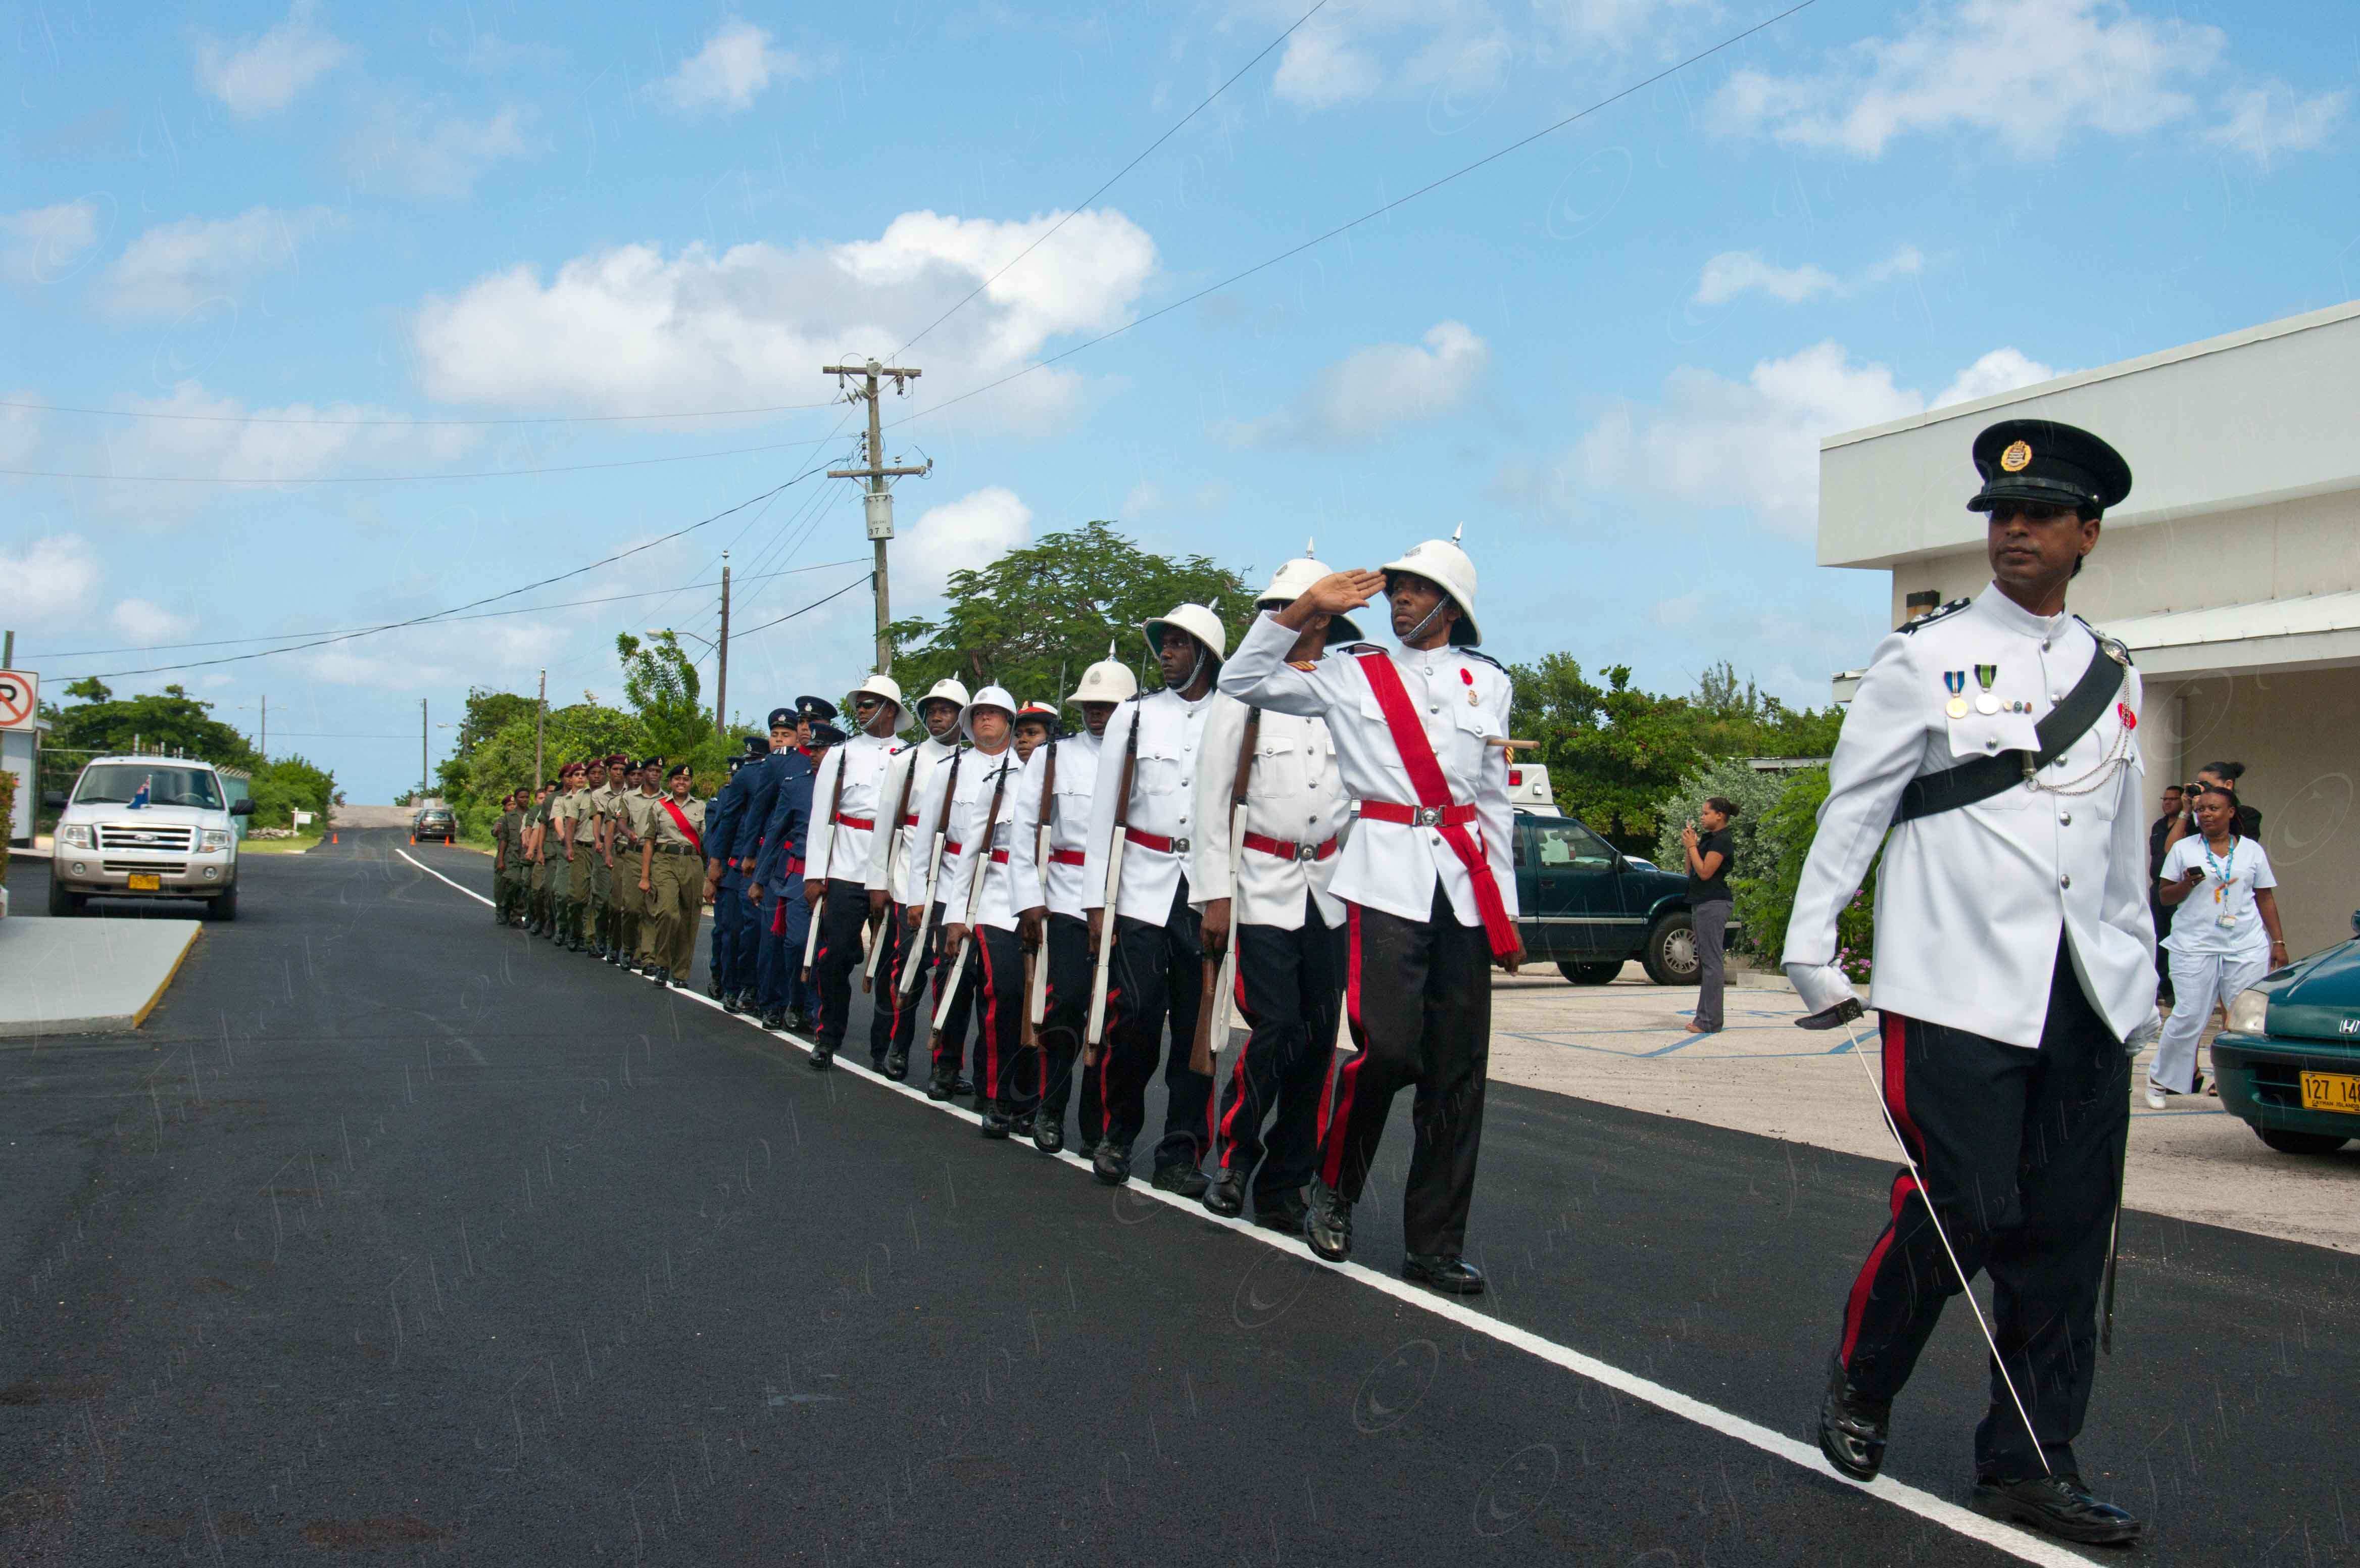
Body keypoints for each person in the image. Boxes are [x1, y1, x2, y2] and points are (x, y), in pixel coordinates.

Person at [1788, 418, 2153, 1547]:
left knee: (2063, 1233)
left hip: (2080, 990)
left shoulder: (2114, 673)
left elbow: (2118, 843)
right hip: (1952, 980)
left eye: (2039, 514)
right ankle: (1864, 1375)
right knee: (1967, 1208)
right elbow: (1855, 802)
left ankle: (2030, 1462)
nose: (2013, 531)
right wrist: (1810, 944)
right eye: (2000, 513)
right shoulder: (1923, 656)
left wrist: (2136, 976)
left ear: (2087, 533)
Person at [1220, 532, 1522, 1296]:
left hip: (1462, 885)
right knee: (1385, 1051)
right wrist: (1304, 608)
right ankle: (1336, 1189)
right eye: (1395, 589)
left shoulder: (1489, 682)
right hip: (1385, 876)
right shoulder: (1353, 670)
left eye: (1415, 590)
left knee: (1458, 1072)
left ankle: (1434, 1245)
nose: (1399, 600)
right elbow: (1241, 678)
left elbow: (1494, 801)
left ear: (1450, 606)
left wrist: (1505, 911)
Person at [1193, 549, 1358, 1235]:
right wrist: (1214, 892)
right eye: (1276, 608)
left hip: (1331, 889)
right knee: (1276, 1027)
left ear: (1323, 619)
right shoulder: (1243, 692)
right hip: (1261, 884)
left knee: (1318, 1042)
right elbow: (1209, 796)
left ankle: (1287, 1182)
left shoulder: (1350, 686)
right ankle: (1235, 1159)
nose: (1278, 618)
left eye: (1291, 607)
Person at [1083, 604, 1226, 1194]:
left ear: (1206, 653)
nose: (1165, 653)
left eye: (1178, 644)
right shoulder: (1135, 715)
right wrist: (1097, 900)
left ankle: (1180, 1153)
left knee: (1197, 1025)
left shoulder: (1235, 715)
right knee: (1136, 1017)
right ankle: (1117, 1133)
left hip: (1205, 888)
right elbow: (1103, 813)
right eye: (1163, 643)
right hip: (1140, 884)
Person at [935, 685, 1048, 1133]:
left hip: (1052, 906)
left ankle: (1032, 1100)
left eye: (1034, 734)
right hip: (998, 903)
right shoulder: (998, 783)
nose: (1024, 741)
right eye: (1020, 733)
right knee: (1004, 999)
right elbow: (972, 854)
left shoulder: (1071, 782)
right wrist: (956, 915)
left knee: (1041, 1007)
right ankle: (997, 1094)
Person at [1032, 655, 1132, 1156]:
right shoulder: (1054, 756)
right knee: (1067, 1003)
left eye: (1108, 705)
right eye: (1091, 704)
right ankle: (1050, 1106)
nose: (1097, 712)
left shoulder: (1142, 756)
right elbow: (1028, 830)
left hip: (1125, 898)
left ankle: (1098, 1127)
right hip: (1066, 896)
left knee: (1112, 1018)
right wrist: (1030, 901)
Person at [2150, 783, 2284, 1107]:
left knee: (2244, 1019)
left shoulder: (2252, 851)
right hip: (2194, 944)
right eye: (2201, 810)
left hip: (2245, 944)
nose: (2206, 814)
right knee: (2189, 1015)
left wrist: (2278, 942)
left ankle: (2242, 1086)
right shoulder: (2184, 849)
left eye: (2213, 809)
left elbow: (2265, 896)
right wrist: (2186, 884)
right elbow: (2165, 895)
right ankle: (2160, 1081)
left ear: (2231, 812)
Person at [867, 679, 972, 1082]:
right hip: (909, 877)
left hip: (956, 883)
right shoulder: (906, 761)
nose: (937, 717)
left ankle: (946, 1064)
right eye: (932, 710)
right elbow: (885, 826)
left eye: (946, 710)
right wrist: (879, 882)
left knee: (952, 975)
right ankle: (894, 1046)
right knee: (906, 970)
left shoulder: (977, 762)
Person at [804, 675, 910, 1071]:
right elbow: (821, 817)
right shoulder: (841, 754)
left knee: (889, 965)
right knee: (834, 958)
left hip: (892, 870)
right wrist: (815, 874)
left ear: (890, 709)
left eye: (868, 704)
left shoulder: (909, 755)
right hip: (846, 865)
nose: (860, 711)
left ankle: (884, 1051)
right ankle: (827, 1037)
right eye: (859, 705)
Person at [641, 763, 707, 987]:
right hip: (664, 861)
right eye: (677, 779)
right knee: (668, 913)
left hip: (692, 862)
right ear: (670, 783)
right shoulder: (659, 807)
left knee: (689, 918)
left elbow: (707, 841)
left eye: (686, 779)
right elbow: (649, 842)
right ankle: (662, 964)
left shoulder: (701, 806)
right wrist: (645, 876)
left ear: (691, 783)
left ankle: (681, 973)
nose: (682, 782)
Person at [1681, 798, 1738, 1033]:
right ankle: (1703, 1018)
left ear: (1720, 815)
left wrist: (1693, 847)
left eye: (1706, 813)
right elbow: (1691, 871)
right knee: (1706, 962)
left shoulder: (1723, 840)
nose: (1702, 817)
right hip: (1701, 902)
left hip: (1714, 903)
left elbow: (1706, 872)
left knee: (1713, 962)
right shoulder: (1708, 839)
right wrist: (1690, 847)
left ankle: (1710, 1021)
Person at [2147, 783, 2184, 1004]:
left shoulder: (2188, 824)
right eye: (2165, 799)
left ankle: (2174, 988)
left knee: (2175, 935)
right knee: (2158, 935)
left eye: (2173, 799)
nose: (2167, 803)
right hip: (2157, 887)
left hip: (2179, 888)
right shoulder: (2159, 826)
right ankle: (2160, 985)